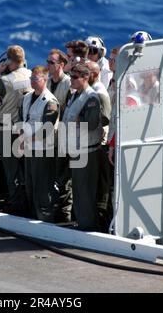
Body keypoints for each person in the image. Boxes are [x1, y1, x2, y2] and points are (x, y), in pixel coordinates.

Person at [0, 45, 32, 215]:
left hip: (7, 127)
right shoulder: (30, 75)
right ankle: (27, 200)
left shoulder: (6, 81)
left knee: (11, 168)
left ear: (9, 61)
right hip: (24, 127)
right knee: (24, 166)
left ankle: (15, 203)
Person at [60, 63, 102, 231]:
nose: (72, 79)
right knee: (77, 188)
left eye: (75, 77)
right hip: (75, 148)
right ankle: (81, 222)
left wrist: (78, 120)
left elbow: (91, 124)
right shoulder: (74, 95)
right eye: (71, 76)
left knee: (85, 190)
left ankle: (88, 226)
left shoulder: (91, 97)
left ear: (85, 78)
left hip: (86, 151)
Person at [22, 66, 59, 222]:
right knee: (30, 184)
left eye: (35, 79)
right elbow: (24, 119)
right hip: (30, 148)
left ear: (45, 80)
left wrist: (27, 139)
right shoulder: (27, 97)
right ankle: (33, 218)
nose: (32, 81)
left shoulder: (50, 102)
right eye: (31, 78)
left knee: (43, 187)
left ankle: (45, 219)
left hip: (44, 150)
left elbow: (47, 129)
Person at [46, 49, 73, 223]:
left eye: (51, 62)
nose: (47, 65)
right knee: (52, 174)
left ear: (61, 65)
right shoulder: (48, 82)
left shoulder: (68, 83)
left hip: (63, 136)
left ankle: (65, 214)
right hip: (50, 138)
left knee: (64, 178)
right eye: (47, 62)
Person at [87, 61, 112, 232]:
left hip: (101, 146)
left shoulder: (99, 92)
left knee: (102, 187)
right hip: (95, 143)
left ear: (95, 74)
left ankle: (102, 223)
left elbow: (105, 119)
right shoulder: (92, 91)